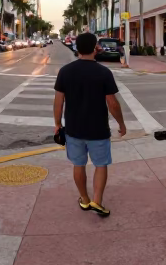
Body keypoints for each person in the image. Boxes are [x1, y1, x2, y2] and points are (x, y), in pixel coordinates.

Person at [53, 32, 127, 217]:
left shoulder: (65, 71)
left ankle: (85, 200)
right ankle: (97, 201)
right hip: (98, 130)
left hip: (73, 130)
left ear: (77, 48)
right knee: (100, 165)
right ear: (95, 48)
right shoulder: (103, 72)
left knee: (78, 165)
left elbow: (58, 102)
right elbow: (113, 103)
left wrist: (57, 124)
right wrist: (121, 124)